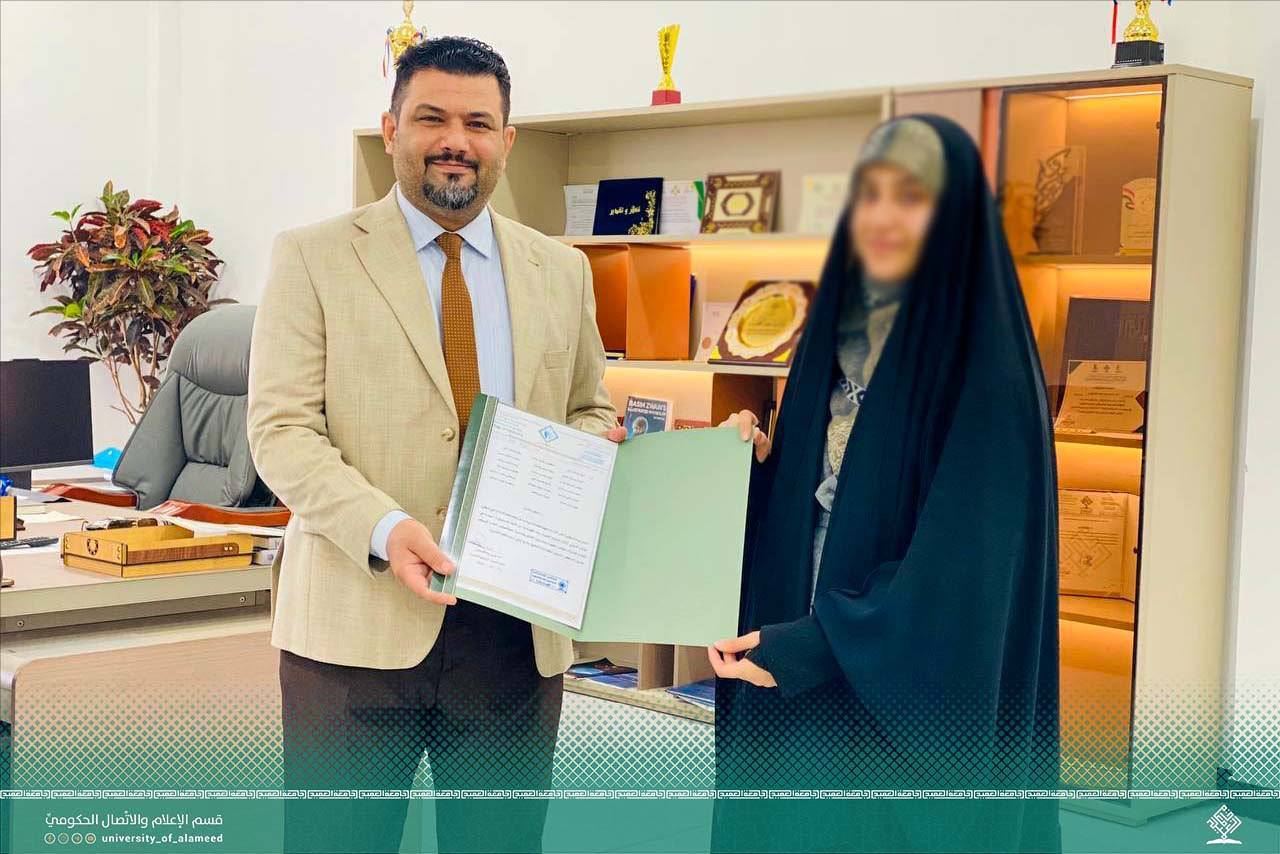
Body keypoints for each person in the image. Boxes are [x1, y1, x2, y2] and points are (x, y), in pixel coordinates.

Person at [247, 36, 623, 854]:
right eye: (432, 118)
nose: (457, 140)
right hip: (354, 627)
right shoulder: (313, 256)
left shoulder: (561, 269)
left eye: (478, 123)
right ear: (391, 129)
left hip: (513, 637)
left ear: (506, 141)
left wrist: (583, 455)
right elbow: (281, 431)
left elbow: (590, 410)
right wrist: (385, 531)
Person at [708, 116, 1061, 853]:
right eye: (870, 195)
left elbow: (966, 569)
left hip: (894, 701)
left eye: (912, 196)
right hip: (796, 674)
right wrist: (756, 471)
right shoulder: (834, 332)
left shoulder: (986, 364)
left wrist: (821, 643)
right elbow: (813, 502)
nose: (885, 216)